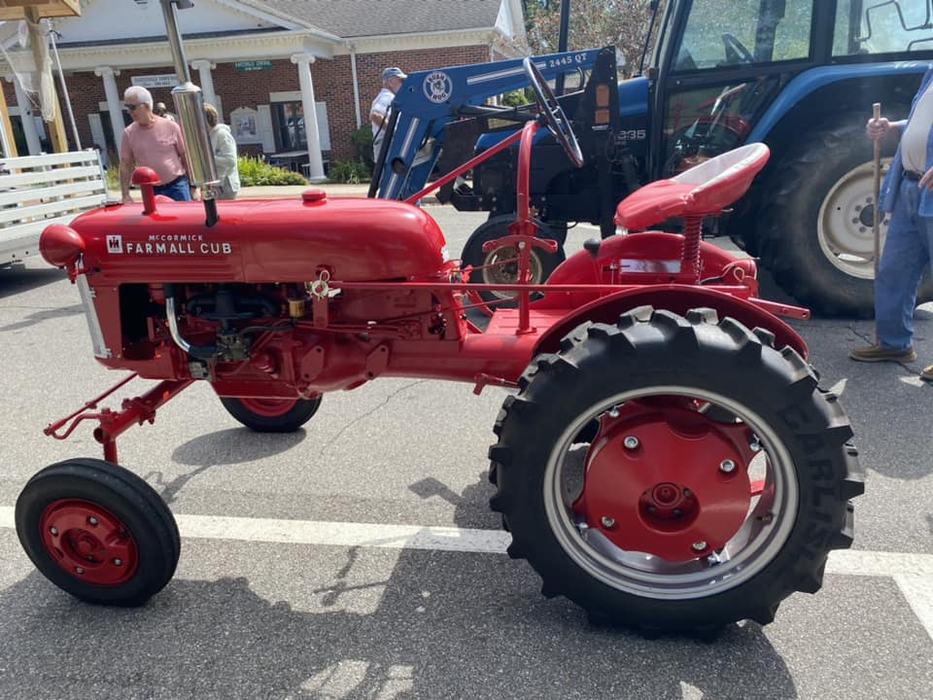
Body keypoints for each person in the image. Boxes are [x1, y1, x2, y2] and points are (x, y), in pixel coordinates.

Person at [850, 66, 933, 382]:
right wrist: (891, 127)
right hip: (911, 188)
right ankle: (895, 344)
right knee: (894, 270)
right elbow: (920, 125)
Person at [119, 86, 195, 202]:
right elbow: (125, 164)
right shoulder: (128, 133)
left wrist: (194, 186)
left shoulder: (171, 126)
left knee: (186, 219)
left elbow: (185, 157)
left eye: (132, 107)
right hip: (150, 190)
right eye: (127, 108)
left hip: (177, 186)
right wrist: (125, 194)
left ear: (147, 106)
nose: (129, 111)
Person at [370, 66, 406, 162]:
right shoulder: (387, 96)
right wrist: (394, 132)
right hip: (386, 143)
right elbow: (375, 115)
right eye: (400, 81)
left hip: (385, 143)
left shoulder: (387, 96)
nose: (403, 84)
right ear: (390, 82)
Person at [204, 103, 240, 200]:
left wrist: (209, 158)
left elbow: (231, 161)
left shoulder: (222, 134)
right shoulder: (208, 136)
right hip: (215, 184)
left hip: (226, 185)